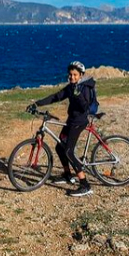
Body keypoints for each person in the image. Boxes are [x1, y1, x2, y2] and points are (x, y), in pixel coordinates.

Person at [27, 61, 96, 197]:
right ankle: (67, 174)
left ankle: (85, 184)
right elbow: (56, 96)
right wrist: (37, 103)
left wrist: (78, 95)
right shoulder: (71, 87)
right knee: (60, 147)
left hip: (79, 122)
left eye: (75, 75)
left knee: (69, 151)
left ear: (81, 75)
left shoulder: (84, 88)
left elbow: (85, 107)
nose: (72, 77)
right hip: (71, 121)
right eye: (70, 74)